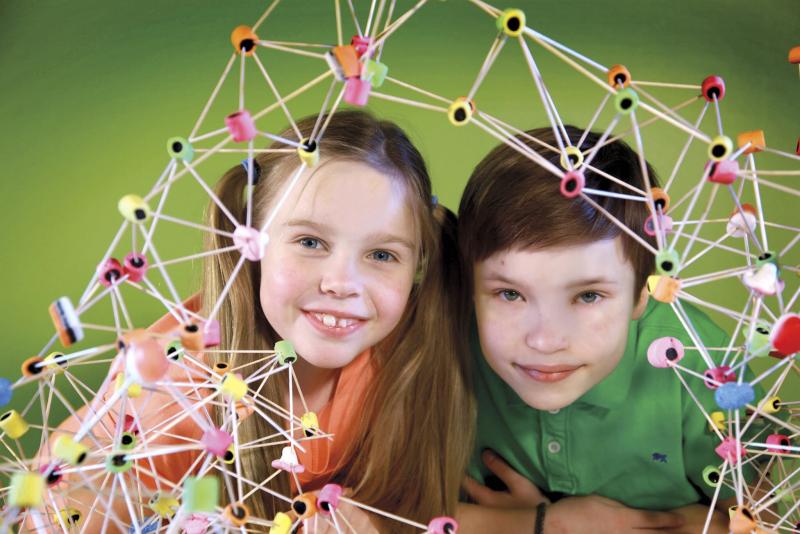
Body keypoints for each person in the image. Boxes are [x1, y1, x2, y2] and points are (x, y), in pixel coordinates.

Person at [47, 110, 472, 533]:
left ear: (417, 264)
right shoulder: (176, 381)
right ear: (250, 242)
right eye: (310, 241)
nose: (342, 284)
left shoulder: (412, 346)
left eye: (382, 255)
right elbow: (62, 498)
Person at [456, 125, 766, 533]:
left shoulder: (705, 366)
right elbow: (378, 509)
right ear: (469, 287)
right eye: (510, 294)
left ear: (643, 293)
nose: (545, 341)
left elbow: (762, 521)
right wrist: (545, 525)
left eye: (588, 296)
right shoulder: (441, 341)